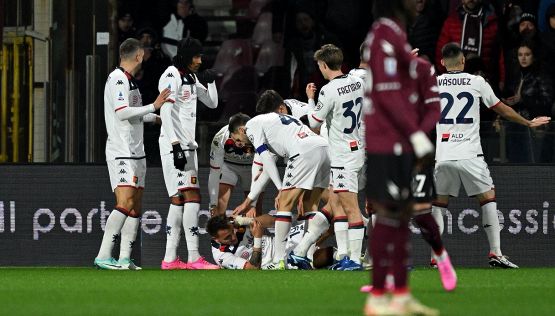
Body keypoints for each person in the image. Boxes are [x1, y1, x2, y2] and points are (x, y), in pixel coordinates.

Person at [432, 43, 550, 269]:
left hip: (444, 154)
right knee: (487, 198)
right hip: (470, 153)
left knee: (439, 204)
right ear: (463, 61)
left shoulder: (433, 84)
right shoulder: (476, 82)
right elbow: (500, 108)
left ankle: (435, 257)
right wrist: (527, 122)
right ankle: (495, 252)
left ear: (443, 62)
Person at [362, 1, 441, 315]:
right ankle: (378, 297)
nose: (418, 2)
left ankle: (401, 294)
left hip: (396, 142)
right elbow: (387, 92)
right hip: (386, 141)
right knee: (388, 214)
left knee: (400, 216)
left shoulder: (392, 34)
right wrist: (416, 134)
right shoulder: (384, 33)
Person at [94, 38, 170, 270]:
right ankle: (104, 255)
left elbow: (134, 114)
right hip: (121, 151)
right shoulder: (117, 78)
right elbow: (122, 112)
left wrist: (155, 118)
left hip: (136, 152)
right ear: (138, 56)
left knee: (136, 206)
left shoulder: (131, 82)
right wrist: (154, 106)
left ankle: (125, 258)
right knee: (125, 202)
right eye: (143, 53)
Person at [231, 106, 330, 269]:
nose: (240, 144)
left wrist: (281, 189)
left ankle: (279, 260)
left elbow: (268, 163)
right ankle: (307, 255)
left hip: (303, 150)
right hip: (323, 148)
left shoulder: (251, 127)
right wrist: (248, 201)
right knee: (309, 205)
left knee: (284, 205)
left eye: (237, 140)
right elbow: (266, 172)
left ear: (242, 129)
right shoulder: (272, 124)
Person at [158, 37, 219, 270]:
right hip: (176, 145)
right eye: (196, 56)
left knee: (178, 200)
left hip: (186, 145)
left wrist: (210, 81)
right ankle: (193, 257)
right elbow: (165, 110)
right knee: (192, 197)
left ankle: (170, 258)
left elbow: (212, 104)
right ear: (185, 56)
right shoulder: (171, 75)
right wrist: (175, 145)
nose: (199, 61)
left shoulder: (191, 77)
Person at [307, 44, 366, 271]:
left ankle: (354, 260)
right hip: (356, 149)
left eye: (319, 66)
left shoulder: (328, 90)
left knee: (351, 208)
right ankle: (346, 256)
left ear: (323, 65)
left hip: (343, 155)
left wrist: (311, 103)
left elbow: (314, 123)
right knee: (341, 204)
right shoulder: (357, 82)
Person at [435, 0, 505, 90]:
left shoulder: (493, 22)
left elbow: (500, 54)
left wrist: (502, 80)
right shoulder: (451, 21)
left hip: (485, 84)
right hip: (455, 84)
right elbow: (440, 53)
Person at [504, 40, 554, 162]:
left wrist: (523, 100)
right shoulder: (516, 75)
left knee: (534, 163)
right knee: (516, 160)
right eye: (520, 55)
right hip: (516, 124)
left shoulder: (542, 75)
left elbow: (547, 101)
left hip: (536, 126)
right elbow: (512, 97)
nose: (523, 58)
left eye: (527, 54)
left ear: (534, 56)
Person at [208, 113, 263, 217]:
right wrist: (213, 204)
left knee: (255, 211)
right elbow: (214, 173)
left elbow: (262, 169)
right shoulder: (220, 138)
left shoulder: (260, 135)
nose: (239, 144)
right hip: (229, 166)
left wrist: (253, 205)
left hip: (253, 167)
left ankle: (251, 233)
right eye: (235, 140)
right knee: (219, 206)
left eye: (240, 140)